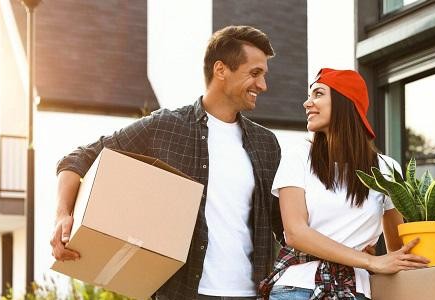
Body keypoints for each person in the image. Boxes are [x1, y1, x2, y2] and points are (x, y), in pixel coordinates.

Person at [51, 25, 281, 300]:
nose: (263, 86)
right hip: (181, 292)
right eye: (254, 74)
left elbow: (285, 225)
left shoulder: (266, 144)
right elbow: (78, 158)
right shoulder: (166, 127)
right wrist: (63, 216)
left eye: (263, 75)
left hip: (251, 294)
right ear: (221, 70)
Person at [265, 68, 435, 300]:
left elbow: (397, 250)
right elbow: (296, 233)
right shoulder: (298, 157)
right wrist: (371, 261)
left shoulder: (385, 168)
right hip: (297, 290)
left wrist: (432, 252)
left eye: (318, 94)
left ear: (345, 102)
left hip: (354, 292)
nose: (307, 103)